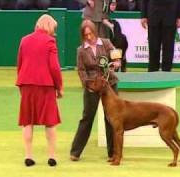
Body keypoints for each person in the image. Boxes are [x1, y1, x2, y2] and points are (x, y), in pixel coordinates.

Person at [16, 14, 63, 167]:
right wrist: (59, 87)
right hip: (46, 85)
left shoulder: (24, 40)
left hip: (27, 84)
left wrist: (21, 84)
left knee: (27, 121)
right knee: (50, 122)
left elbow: (20, 63)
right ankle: (51, 156)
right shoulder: (50, 41)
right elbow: (54, 67)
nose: (54, 32)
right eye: (54, 29)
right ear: (49, 27)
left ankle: (28, 156)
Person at [70, 19, 121, 162]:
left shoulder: (105, 42)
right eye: (85, 35)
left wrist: (117, 62)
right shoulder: (81, 50)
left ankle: (113, 153)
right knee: (87, 118)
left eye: (90, 33)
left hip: (110, 84)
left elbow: (116, 54)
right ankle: (75, 152)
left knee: (111, 119)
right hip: (92, 87)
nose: (89, 37)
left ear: (95, 32)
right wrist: (88, 84)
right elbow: (81, 70)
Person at [141, 0, 180, 72]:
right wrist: (143, 15)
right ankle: (152, 72)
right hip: (153, 15)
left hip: (171, 16)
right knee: (153, 47)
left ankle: (166, 72)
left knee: (168, 48)